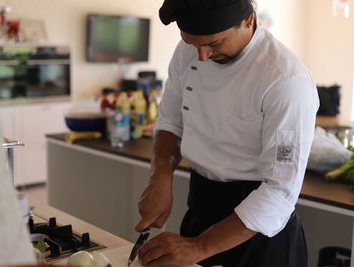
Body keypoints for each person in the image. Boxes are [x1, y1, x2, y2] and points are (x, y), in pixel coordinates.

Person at [134, 0, 320, 266]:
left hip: (258, 231)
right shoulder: (191, 52)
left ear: (248, 19)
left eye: (214, 44)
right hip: (200, 207)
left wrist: (199, 247)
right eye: (193, 44)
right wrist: (160, 177)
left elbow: (279, 191)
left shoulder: (286, 80)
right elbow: (170, 122)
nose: (202, 55)